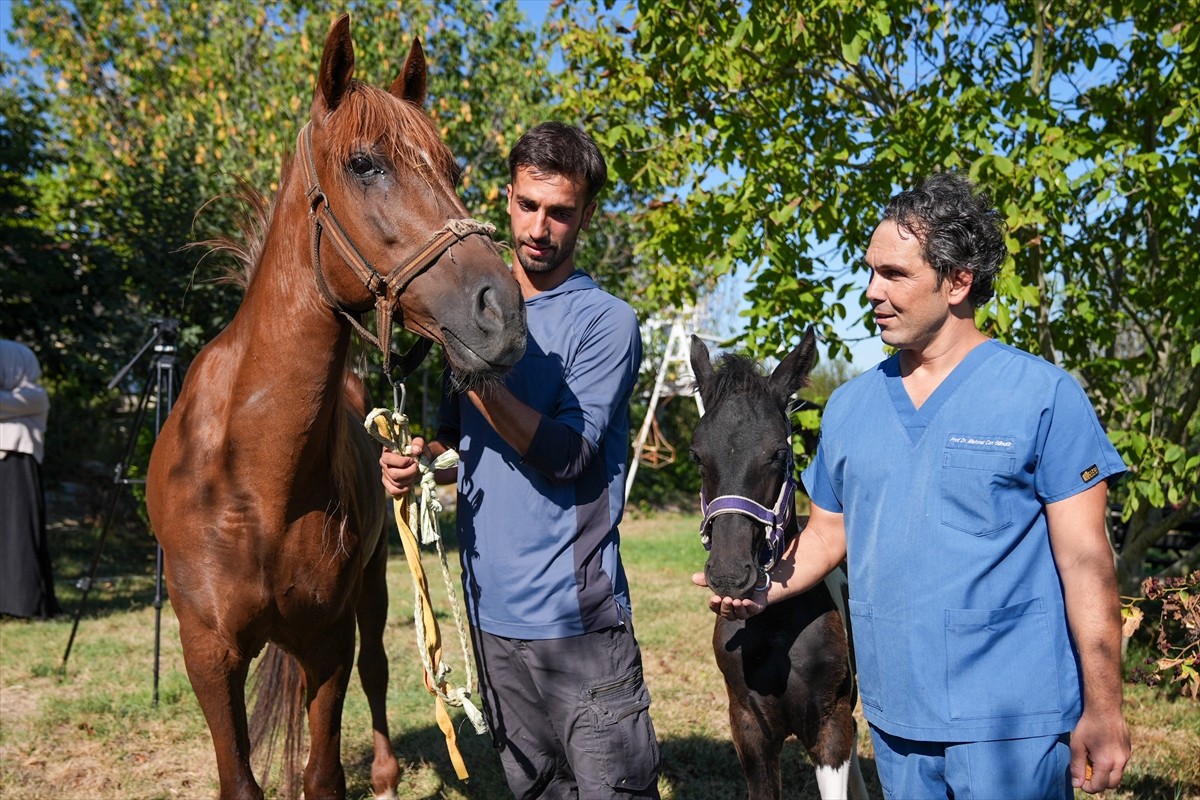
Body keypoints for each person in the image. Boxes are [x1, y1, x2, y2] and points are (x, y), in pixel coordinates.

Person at [697, 172, 1130, 799]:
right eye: (870, 271)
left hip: (1013, 725)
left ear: (957, 282)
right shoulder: (849, 408)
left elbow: (1089, 565)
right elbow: (827, 532)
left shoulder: (1043, 397)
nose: (871, 291)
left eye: (894, 274)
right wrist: (764, 588)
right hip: (897, 726)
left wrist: (1105, 708)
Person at [381, 122, 660, 799]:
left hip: (578, 630)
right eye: (529, 204)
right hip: (490, 625)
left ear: (586, 215)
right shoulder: (474, 312)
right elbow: (457, 438)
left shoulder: (605, 322)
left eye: (561, 211)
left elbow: (567, 456)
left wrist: (472, 366)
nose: (541, 226)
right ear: (506, 197)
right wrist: (420, 463)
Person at [1, 338, 60, 619]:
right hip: (15, 461)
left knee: (19, 534)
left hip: (17, 463)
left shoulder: (35, 397)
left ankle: (21, 604)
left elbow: (23, 403)